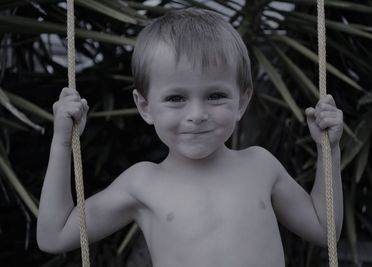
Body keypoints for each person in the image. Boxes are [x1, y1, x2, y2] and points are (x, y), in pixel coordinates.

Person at [37, 8, 343, 267]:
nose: (197, 114)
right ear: (145, 107)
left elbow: (323, 228)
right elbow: (54, 236)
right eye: (175, 98)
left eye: (215, 95)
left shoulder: (260, 166)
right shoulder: (142, 183)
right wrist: (62, 143)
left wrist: (328, 148)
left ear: (242, 101)